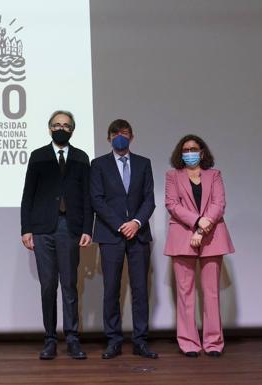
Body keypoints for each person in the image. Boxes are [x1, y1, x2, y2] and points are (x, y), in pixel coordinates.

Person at [20, 110, 93, 360]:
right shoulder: (38, 156)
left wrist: (87, 229)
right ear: (49, 128)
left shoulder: (82, 157)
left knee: (70, 285)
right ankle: (50, 339)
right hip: (42, 229)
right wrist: (25, 229)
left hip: (70, 228)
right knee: (48, 286)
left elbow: (87, 198)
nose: (61, 128)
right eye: (56, 124)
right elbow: (28, 194)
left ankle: (72, 339)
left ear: (72, 129)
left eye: (66, 125)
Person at [90, 119, 157, 359]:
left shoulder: (143, 164)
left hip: (138, 235)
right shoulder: (98, 165)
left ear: (132, 137)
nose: (121, 136)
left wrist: (136, 223)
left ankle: (140, 341)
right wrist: (120, 225)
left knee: (140, 290)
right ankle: (114, 340)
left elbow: (149, 199)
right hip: (111, 235)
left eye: (125, 133)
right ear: (109, 138)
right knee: (111, 290)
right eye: (116, 133)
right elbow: (97, 199)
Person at [164, 134, 234, 358]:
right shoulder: (172, 176)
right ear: (180, 153)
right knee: (185, 293)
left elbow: (219, 203)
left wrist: (202, 229)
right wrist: (196, 222)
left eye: (194, 149)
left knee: (211, 293)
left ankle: (213, 342)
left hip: (211, 236)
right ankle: (188, 342)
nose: (190, 153)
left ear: (202, 152)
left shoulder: (214, 175)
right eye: (185, 150)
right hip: (182, 237)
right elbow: (172, 205)